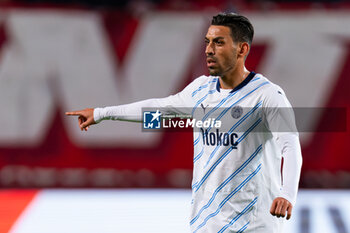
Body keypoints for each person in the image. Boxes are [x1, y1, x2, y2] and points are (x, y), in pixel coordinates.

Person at [66, 13, 302, 233]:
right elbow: (159, 109)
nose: (209, 50)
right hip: (206, 222)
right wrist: (102, 113)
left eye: (218, 43)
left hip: (255, 224)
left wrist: (287, 195)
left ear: (242, 49)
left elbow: (290, 146)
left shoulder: (267, 95)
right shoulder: (201, 90)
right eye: (207, 42)